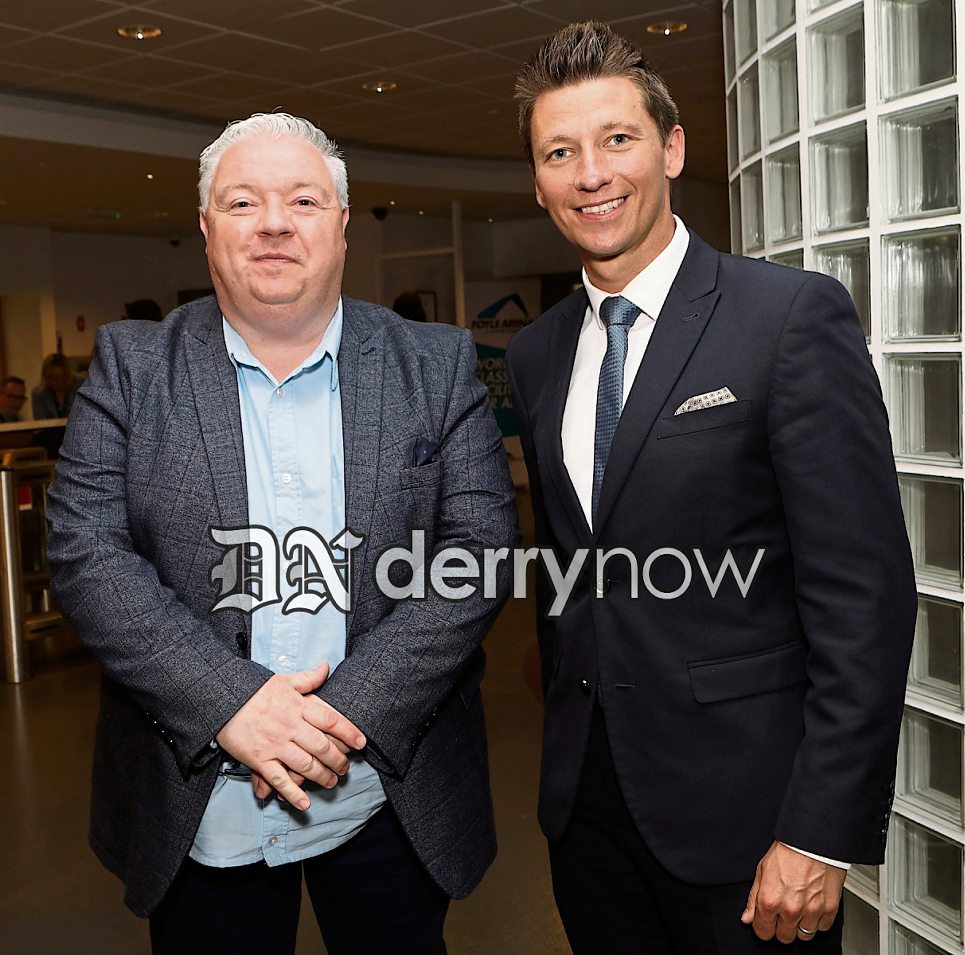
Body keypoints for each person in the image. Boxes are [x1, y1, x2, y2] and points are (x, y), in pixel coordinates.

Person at [47, 112, 516, 955]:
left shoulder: (435, 364)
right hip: (201, 803)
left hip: (385, 789)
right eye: (242, 202)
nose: (273, 223)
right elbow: (87, 551)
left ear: (341, 223)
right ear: (206, 227)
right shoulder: (132, 368)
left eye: (302, 200)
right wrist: (232, 703)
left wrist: (336, 718)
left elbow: (477, 553)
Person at [506, 21, 916, 954]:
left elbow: (864, 596)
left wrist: (819, 828)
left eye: (617, 139)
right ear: (537, 182)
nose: (591, 174)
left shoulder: (786, 317)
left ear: (672, 148)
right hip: (588, 818)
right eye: (559, 152)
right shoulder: (536, 354)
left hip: (751, 822)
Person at [31, 352, 77, 419]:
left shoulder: (79, 387)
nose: (53, 382)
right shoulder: (39, 394)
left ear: (66, 376)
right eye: (49, 377)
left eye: (58, 377)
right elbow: (40, 421)